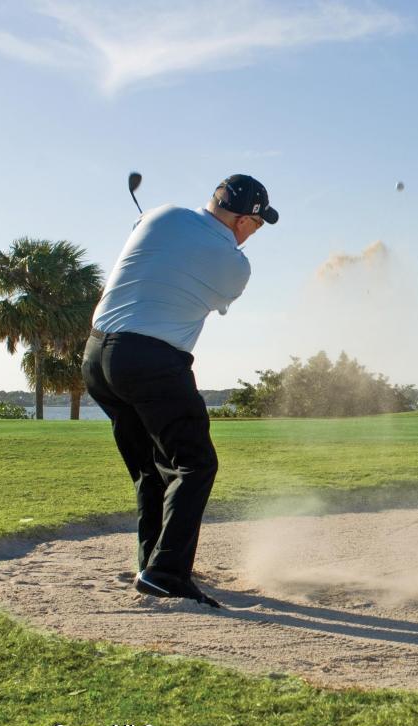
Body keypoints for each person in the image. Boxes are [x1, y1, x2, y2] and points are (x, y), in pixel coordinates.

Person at [82, 174, 278, 608]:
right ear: (246, 220)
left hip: (96, 356)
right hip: (150, 359)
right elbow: (208, 295)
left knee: (152, 468)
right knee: (195, 464)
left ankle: (150, 564)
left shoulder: (161, 214)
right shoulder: (234, 265)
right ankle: (167, 573)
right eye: (258, 226)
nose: (254, 236)